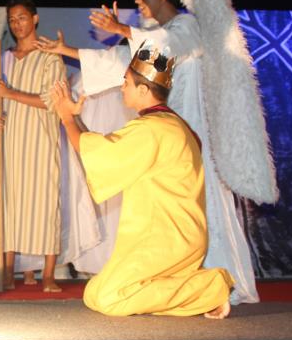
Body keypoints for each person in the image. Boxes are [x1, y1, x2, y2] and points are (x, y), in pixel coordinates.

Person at [36, 0, 259, 305]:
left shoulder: (186, 26)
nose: (137, 0)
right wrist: (67, 50)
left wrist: (122, 30)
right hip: (163, 125)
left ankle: (213, 279)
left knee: (201, 203)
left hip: (185, 126)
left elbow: (165, 47)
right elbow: (124, 63)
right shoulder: (150, 41)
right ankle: (182, 280)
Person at [51, 46, 233, 318]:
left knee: (109, 298)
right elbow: (101, 150)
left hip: (166, 240)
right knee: (94, 294)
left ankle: (210, 287)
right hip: (171, 236)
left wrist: (66, 118)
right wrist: (74, 117)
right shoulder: (169, 124)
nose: (122, 88)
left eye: (126, 82)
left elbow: (99, 153)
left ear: (143, 90)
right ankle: (194, 291)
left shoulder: (152, 129)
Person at [0, 0, 66, 291]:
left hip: (40, 141)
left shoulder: (50, 57)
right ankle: (7, 271)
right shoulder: (5, 58)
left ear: (34, 19)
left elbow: (51, 100)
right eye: (12, 19)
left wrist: (10, 93)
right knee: (11, 204)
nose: (16, 24)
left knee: (44, 203)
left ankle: (48, 275)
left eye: (21, 17)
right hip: (11, 141)